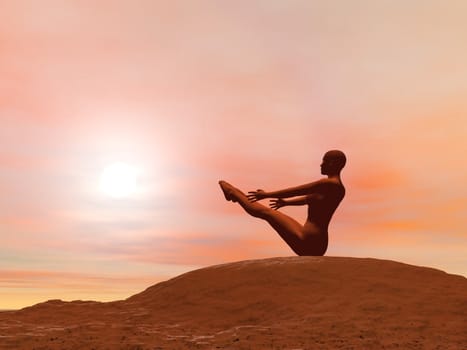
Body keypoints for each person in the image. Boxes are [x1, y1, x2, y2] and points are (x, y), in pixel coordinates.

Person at [218, 150, 346, 256]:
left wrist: (267, 195)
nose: (321, 164)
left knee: (265, 212)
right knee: (269, 212)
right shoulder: (338, 188)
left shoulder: (328, 184)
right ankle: (234, 193)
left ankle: (233, 192)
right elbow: (308, 199)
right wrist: (286, 203)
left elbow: (297, 191)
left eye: (324, 161)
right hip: (316, 242)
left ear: (332, 163)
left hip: (308, 241)